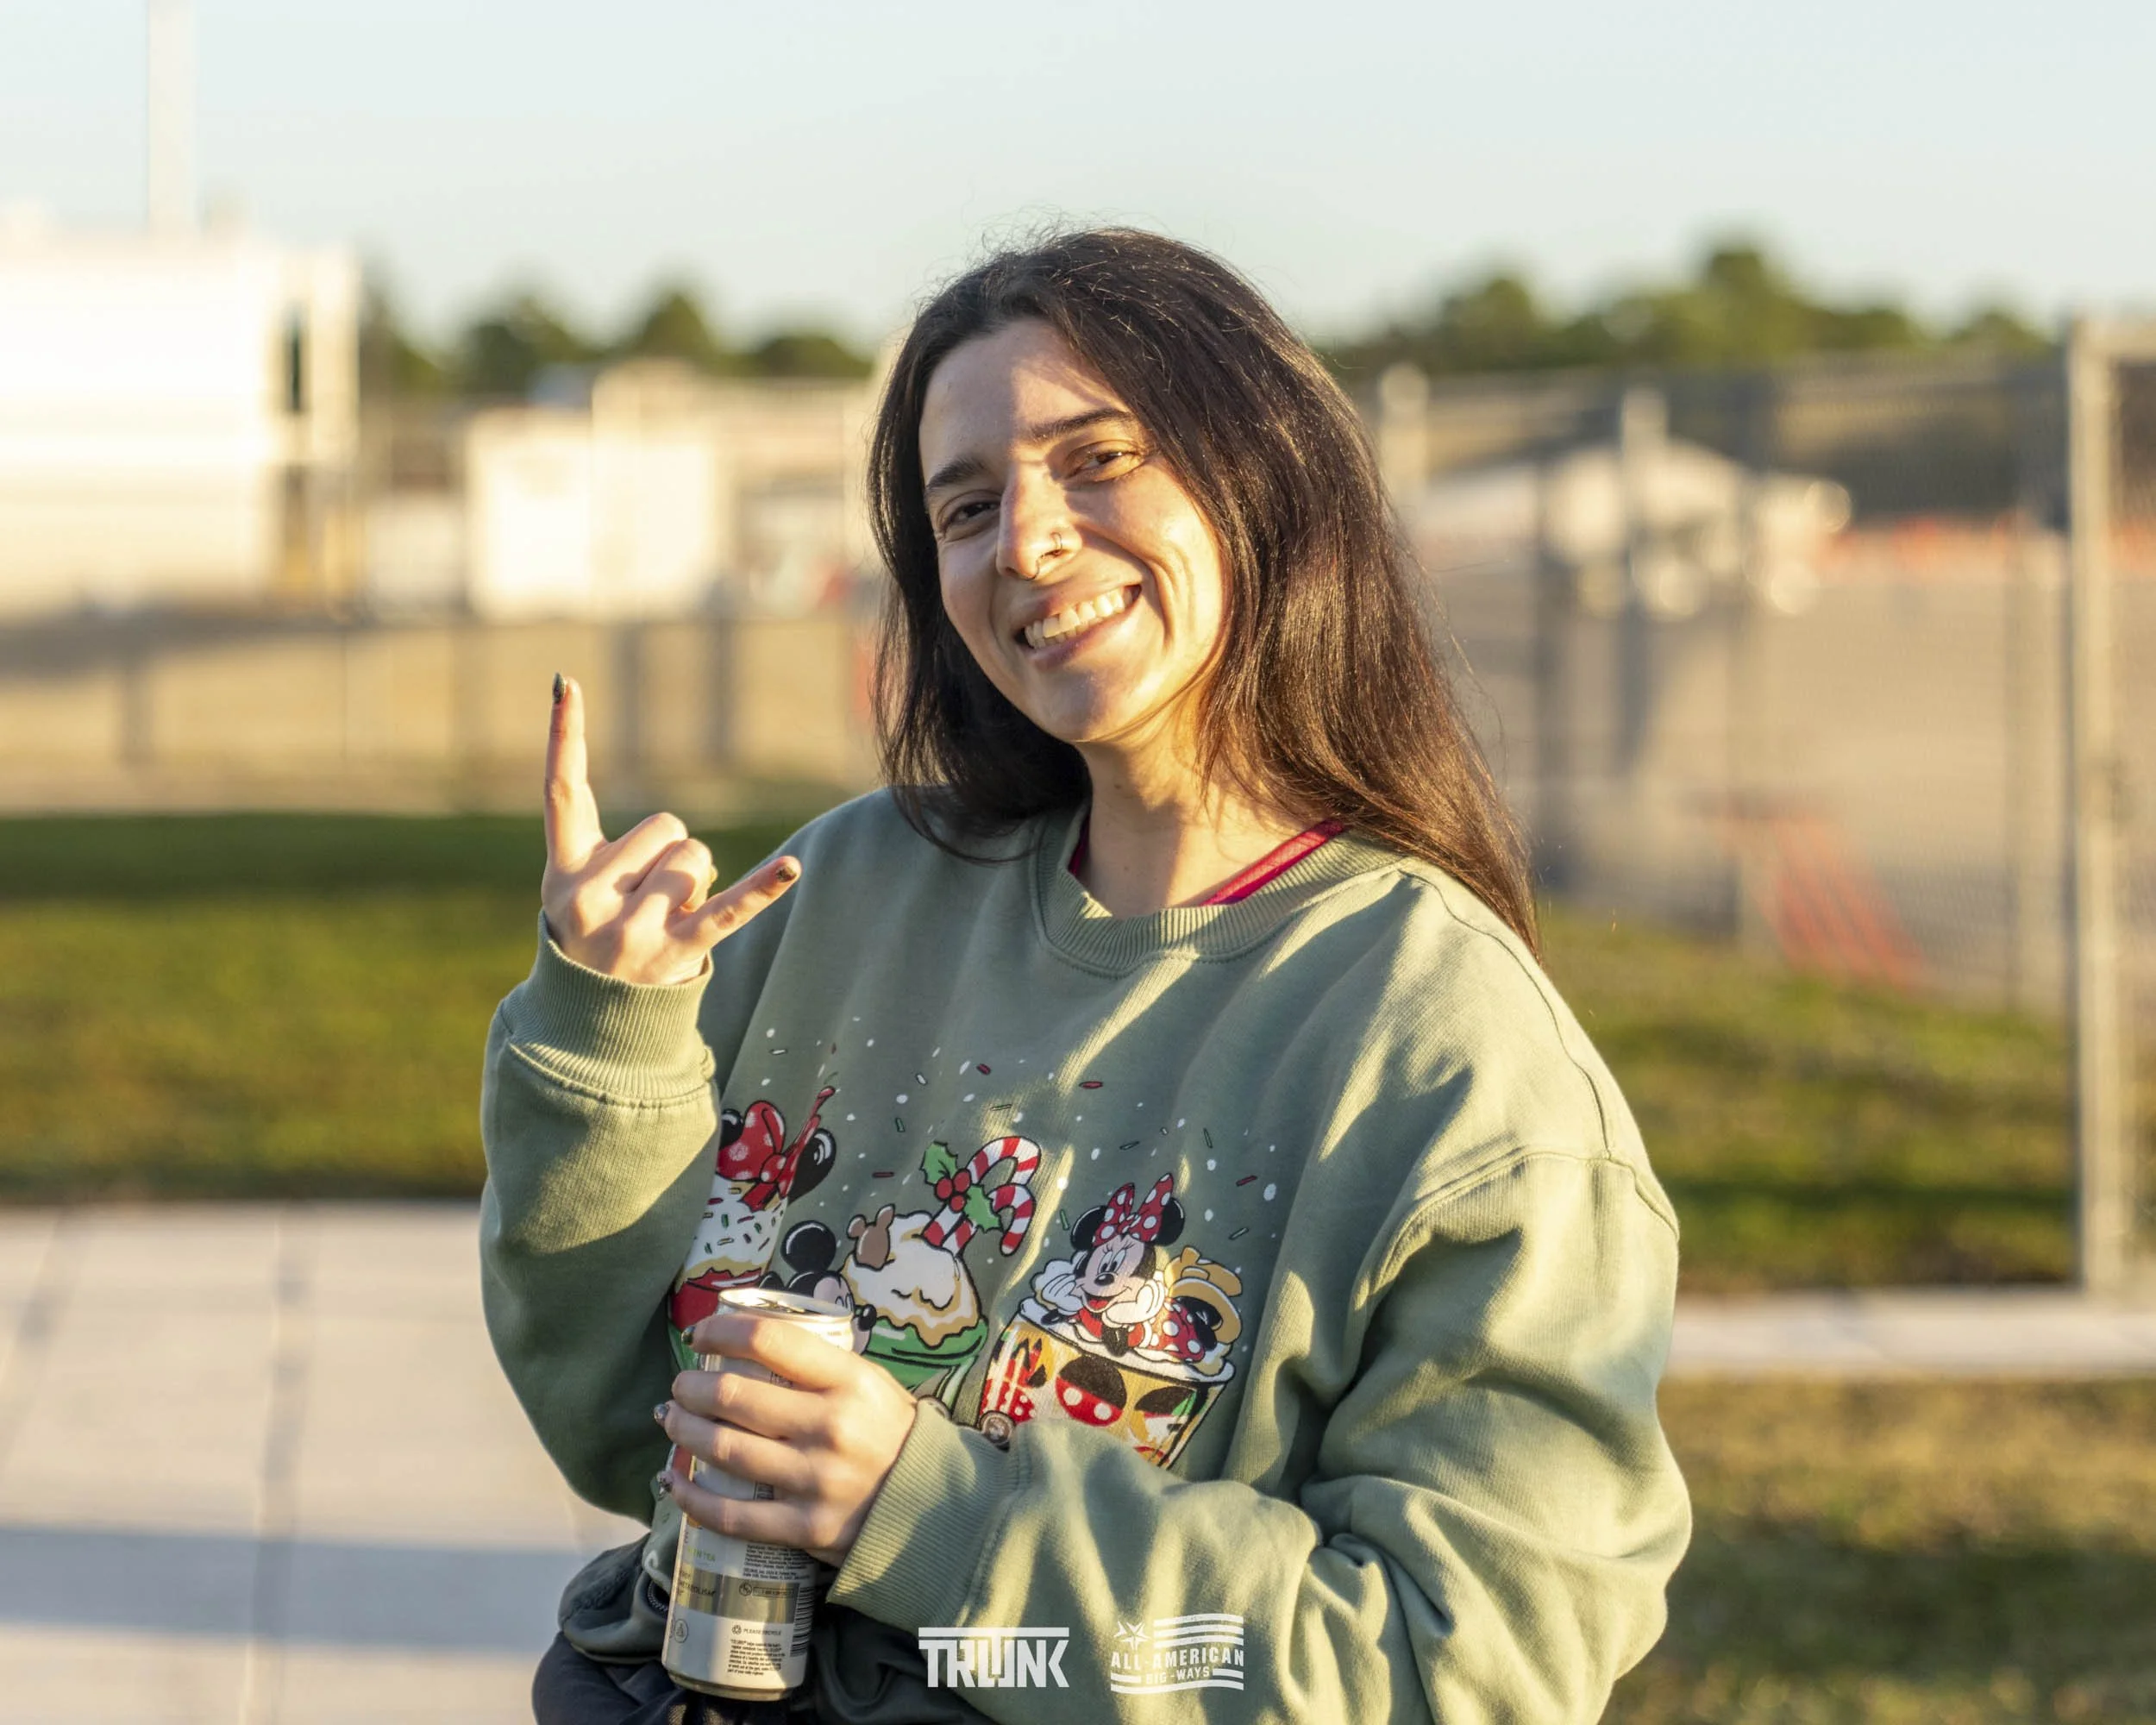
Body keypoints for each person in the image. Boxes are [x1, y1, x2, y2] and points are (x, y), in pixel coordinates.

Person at [481, 228, 1689, 1725]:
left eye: (1098, 459)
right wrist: (607, 1043)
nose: (1027, 542)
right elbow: (619, 1423)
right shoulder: (846, 890)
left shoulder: (1449, 1054)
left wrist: (930, 1515)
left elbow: (1460, 1667)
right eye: (966, 506)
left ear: (1264, 475)